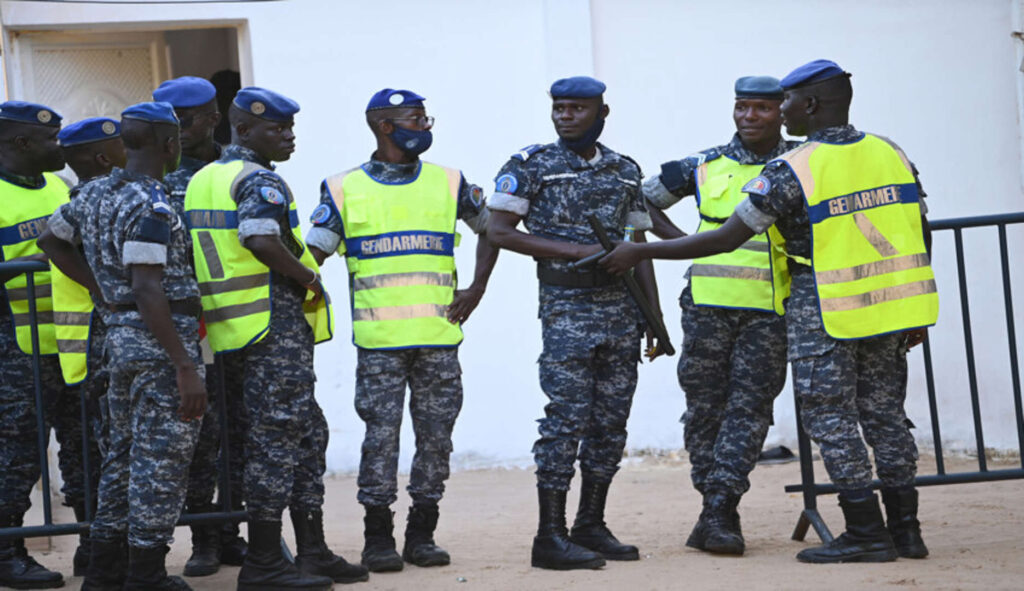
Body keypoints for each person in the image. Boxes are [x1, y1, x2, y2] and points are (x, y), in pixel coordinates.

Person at [600, 59, 936, 564]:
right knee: (886, 417)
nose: (778, 110)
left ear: (810, 105)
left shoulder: (794, 168)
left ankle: (866, 530)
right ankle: (906, 531)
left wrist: (642, 251)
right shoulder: (890, 151)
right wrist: (912, 303)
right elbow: (919, 227)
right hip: (890, 308)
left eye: (785, 102)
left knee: (831, 417)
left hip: (823, 308)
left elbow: (728, 237)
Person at [306, 88, 499, 572]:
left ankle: (422, 534)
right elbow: (312, 257)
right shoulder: (343, 188)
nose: (426, 126)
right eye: (416, 118)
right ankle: (378, 538)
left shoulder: (450, 182)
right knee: (381, 440)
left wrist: (476, 288)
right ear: (384, 126)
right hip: (379, 346)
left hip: (438, 339)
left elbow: (494, 230)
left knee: (436, 438)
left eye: (426, 117)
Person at [184, 87, 365, 589]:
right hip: (269, 328)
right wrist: (308, 278)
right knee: (277, 442)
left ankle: (311, 552)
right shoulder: (259, 180)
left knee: (305, 434)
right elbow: (260, 239)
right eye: (277, 129)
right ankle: (265, 562)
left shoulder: (205, 177)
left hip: (231, 330)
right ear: (243, 131)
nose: (289, 137)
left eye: (290, 129)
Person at [487, 76, 665, 570]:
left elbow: (640, 244)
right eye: (559, 108)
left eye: (577, 108)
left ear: (601, 113)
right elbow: (498, 230)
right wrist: (577, 250)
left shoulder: (625, 170)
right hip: (567, 309)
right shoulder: (530, 166)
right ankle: (549, 535)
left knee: (610, 423)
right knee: (565, 421)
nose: (565, 115)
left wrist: (654, 315)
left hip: (622, 311)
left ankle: (590, 523)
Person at [41, 101, 207, 589]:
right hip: (160, 344)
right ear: (169, 145)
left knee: (124, 457)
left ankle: (106, 570)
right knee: (162, 461)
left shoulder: (91, 195)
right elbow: (147, 286)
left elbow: (51, 241)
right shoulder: (153, 204)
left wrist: (100, 289)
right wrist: (183, 365)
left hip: (119, 341)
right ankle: (147, 574)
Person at [643, 76, 798, 555]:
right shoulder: (704, 163)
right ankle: (715, 508)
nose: (749, 117)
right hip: (707, 306)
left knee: (749, 411)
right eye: (742, 108)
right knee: (704, 410)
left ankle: (720, 509)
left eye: (761, 109)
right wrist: (676, 243)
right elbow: (643, 199)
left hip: (769, 311)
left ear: (782, 112)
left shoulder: (798, 164)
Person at [153, 74, 249, 577]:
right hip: (190, 327)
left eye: (184, 123)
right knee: (201, 436)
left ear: (213, 118)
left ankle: (233, 532)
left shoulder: (240, 170)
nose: (175, 133)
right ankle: (205, 538)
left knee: (241, 430)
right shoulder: (157, 176)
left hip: (241, 320)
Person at [0, 100, 80, 590]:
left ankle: (96, 544)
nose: (61, 147)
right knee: (18, 452)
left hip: (70, 341)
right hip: (14, 348)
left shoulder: (61, 187)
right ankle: (7, 550)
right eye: (52, 139)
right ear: (21, 144)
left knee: (84, 444)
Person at [53, 116, 126, 576]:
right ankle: (97, 550)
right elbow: (51, 245)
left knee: (100, 450)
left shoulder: (75, 196)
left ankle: (99, 550)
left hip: (94, 341)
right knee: (94, 451)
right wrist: (102, 286)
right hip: (83, 342)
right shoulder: (89, 200)